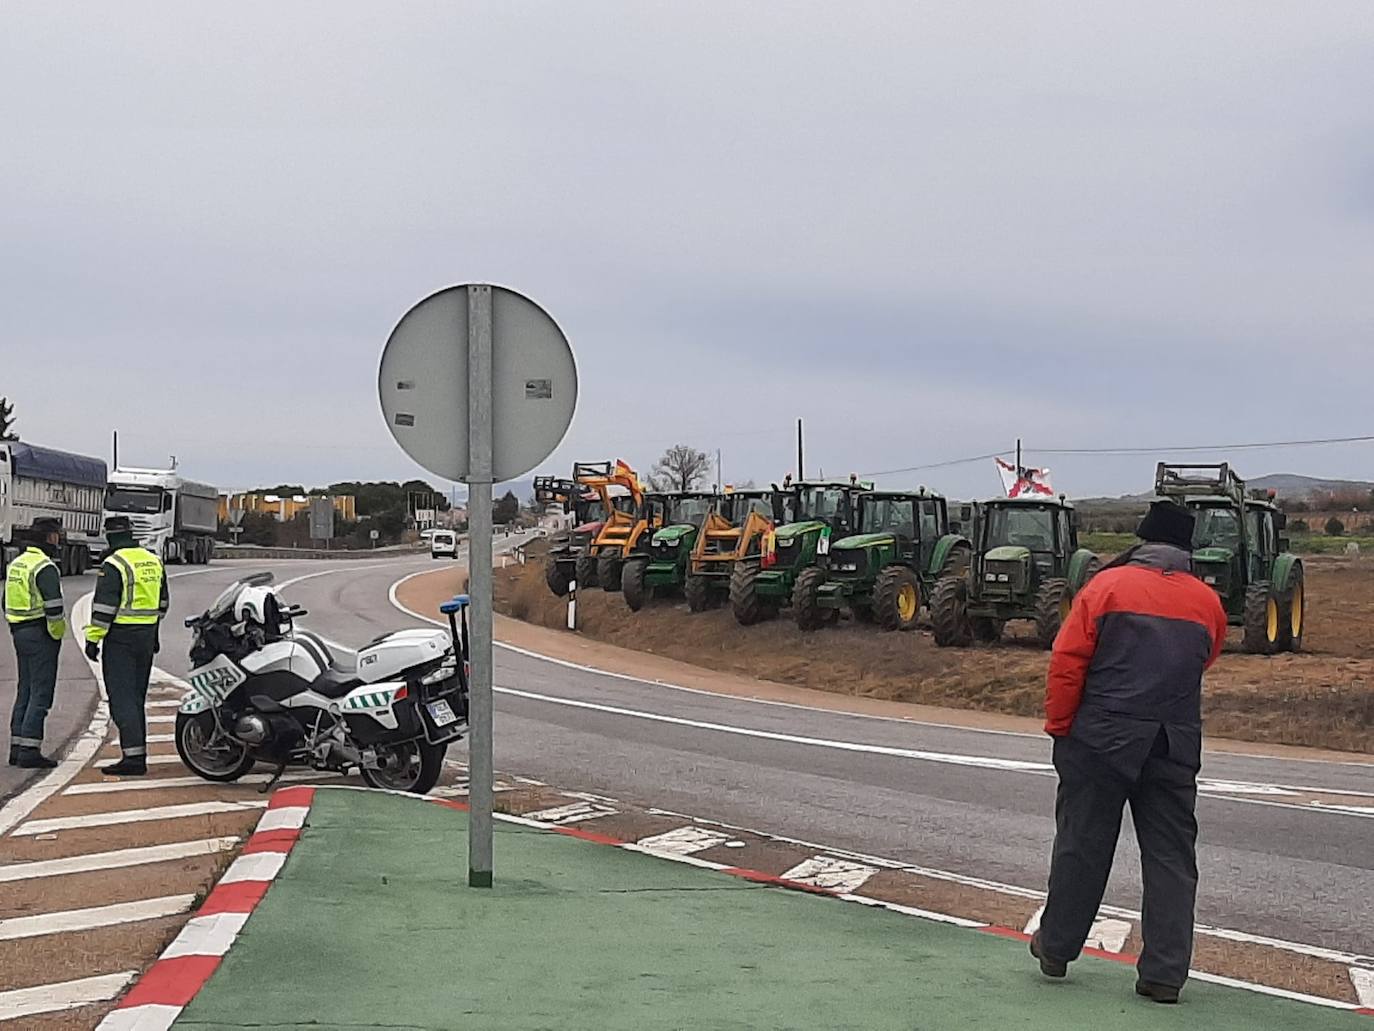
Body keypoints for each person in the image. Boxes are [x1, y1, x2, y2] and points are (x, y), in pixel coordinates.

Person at [1031, 500, 1228, 1004]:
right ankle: (1164, 973)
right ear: (1186, 549)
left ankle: (1056, 948)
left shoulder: (1106, 587)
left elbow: (1068, 662)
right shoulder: (1208, 603)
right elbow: (1204, 658)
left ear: (1142, 541)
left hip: (1100, 738)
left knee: (1083, 843)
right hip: (1174, 741)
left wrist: (1061, 726)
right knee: (1170, 857)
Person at [85, 516, 168, 777]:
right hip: (145, 636)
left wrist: (93, 639)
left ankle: (133, 758)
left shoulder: (113, 564)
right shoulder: (153, 560)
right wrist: (152, 632)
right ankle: (137, 752)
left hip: (120, 637)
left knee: (122, 699)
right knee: (136, 697)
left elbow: (104, 609)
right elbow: (163, 604)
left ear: (110, 535)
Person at [5, 517, 68, 768]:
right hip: (40, 633)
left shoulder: (17, 564)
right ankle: (30, 751)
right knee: (41, 693)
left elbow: (5, 600)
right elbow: (54, 608)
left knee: (26, 689)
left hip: (19, 631)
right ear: (48, 538)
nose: (58, 539)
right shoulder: (45, 567)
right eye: (55, 535)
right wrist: (56, 633)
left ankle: (17, 747)